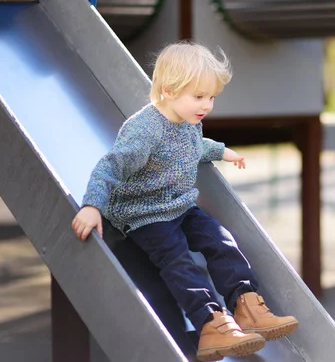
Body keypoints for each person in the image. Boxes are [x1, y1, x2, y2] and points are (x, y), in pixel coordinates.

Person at [71, 42, 298, 361]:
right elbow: (111, 166)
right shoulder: (144, 130)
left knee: (220, 241)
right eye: (199, 96)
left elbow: (192, 146)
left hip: (179, 206)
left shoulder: (188, 120)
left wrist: (223, 152)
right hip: (143, 216)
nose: (206, 105)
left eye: (211, 97)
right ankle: (210, 324)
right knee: (178, 261)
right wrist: (92, 205)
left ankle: (246, 305)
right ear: (167, 91)